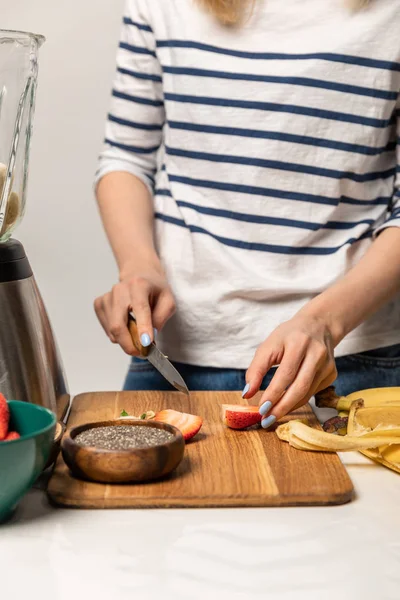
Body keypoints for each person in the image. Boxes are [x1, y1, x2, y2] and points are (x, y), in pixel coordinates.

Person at [94, 0, 400, 429]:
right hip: (177, 356)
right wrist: (138, 266)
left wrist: (325, 323)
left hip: (352, 360)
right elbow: (126, 157)